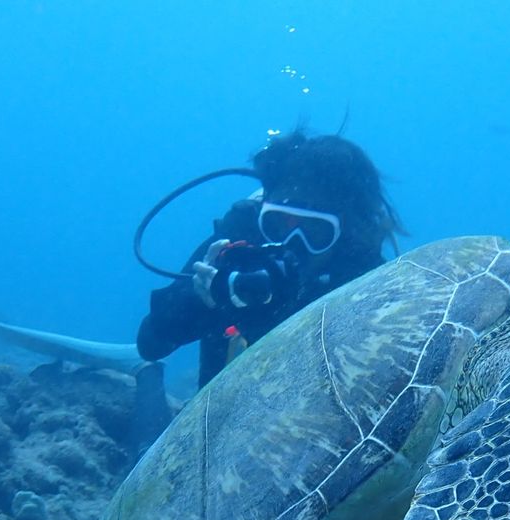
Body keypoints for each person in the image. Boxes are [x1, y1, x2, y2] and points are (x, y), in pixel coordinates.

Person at [136, 129, 403, 388]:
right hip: (221, 414)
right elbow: (150, 342)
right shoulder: (239, 239)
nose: (293, 244)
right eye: (280, 223)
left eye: (315, 231)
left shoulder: (362, 275)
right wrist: (205, 297)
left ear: (346, 234)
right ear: (263, 212)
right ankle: (147, 377)